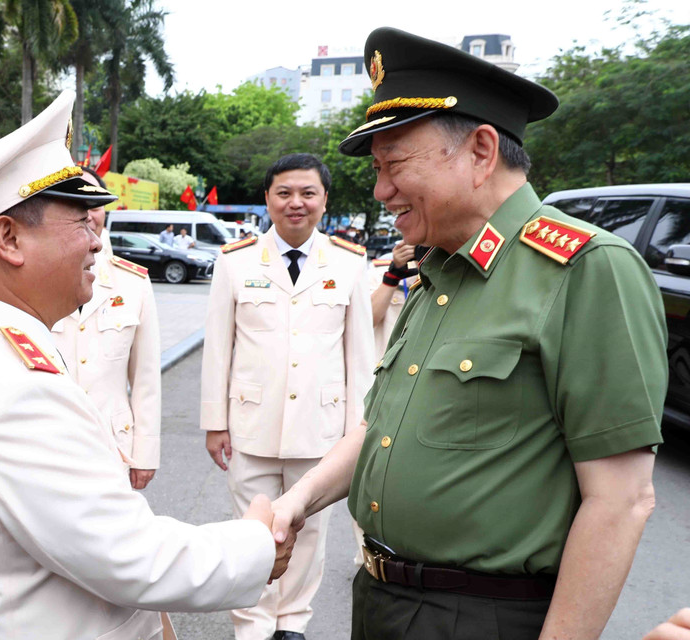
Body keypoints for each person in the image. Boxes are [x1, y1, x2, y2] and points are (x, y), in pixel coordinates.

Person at [271, 27, 666, 640]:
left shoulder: (586, 269)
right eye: (377, 171)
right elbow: (382, 430)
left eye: (394, 165)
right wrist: (297, 502)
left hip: (481, 617)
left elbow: (621, 502)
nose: (381, 191)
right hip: (381, 601)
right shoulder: (440, 269)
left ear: (481, 152)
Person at [0, 91, 296, 640]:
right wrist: (253, 546)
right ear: (9, 238)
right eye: (82, 222)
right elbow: (129, 557)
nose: (96, 242)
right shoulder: (15, 386)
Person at [201, 152, 377, 640]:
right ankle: (253, 626)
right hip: (251, 422)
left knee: (310, 530)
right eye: (284, 193)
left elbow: (359, 356)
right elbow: (219, 347)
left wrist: (357, 431)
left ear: (324, 200)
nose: (295, 203)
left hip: (321, 427)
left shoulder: (348, 263)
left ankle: (292, 624)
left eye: (307, 193)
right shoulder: (235, 262)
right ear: (267, 200)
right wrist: (215, 422)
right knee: (252, 528)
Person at [51, 166, 161, 490]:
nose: (87, 214)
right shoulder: (34, 281)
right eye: (74, 204)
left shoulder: (134, 282)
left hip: (114, 448)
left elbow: (146, 378)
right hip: (50, 446)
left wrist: (146, 453)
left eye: (94, 204)